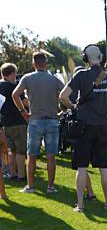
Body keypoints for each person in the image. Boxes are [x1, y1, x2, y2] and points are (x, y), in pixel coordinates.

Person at [59, 44, 107, 212]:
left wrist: (72, 106)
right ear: (100, 58)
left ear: (85, 58)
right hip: (102, 128)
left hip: (83, 127)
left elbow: (62, 96)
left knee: (82, 167)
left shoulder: (80, 75)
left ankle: (80, 205)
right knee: (104, 168)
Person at [12, 52, 63, 194]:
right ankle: (51, 187)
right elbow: (67, 94)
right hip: (52, 120)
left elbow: (15, 95)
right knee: (51, 156)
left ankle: (30, 186)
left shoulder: (27, 78)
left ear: (33, 64)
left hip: (34, 120)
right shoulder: (53, 79)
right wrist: (62, 110)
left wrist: (23, 112)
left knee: (32, 155)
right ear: (46, 64)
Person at [0, 63, 28, 182]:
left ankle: (12, 173)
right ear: (11, 73)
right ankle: (21, 175)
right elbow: (25, 102)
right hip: (18, 121)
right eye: (15, 73)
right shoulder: (15, 87)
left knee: (11, 150)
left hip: (5, 122)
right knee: (20, 150)